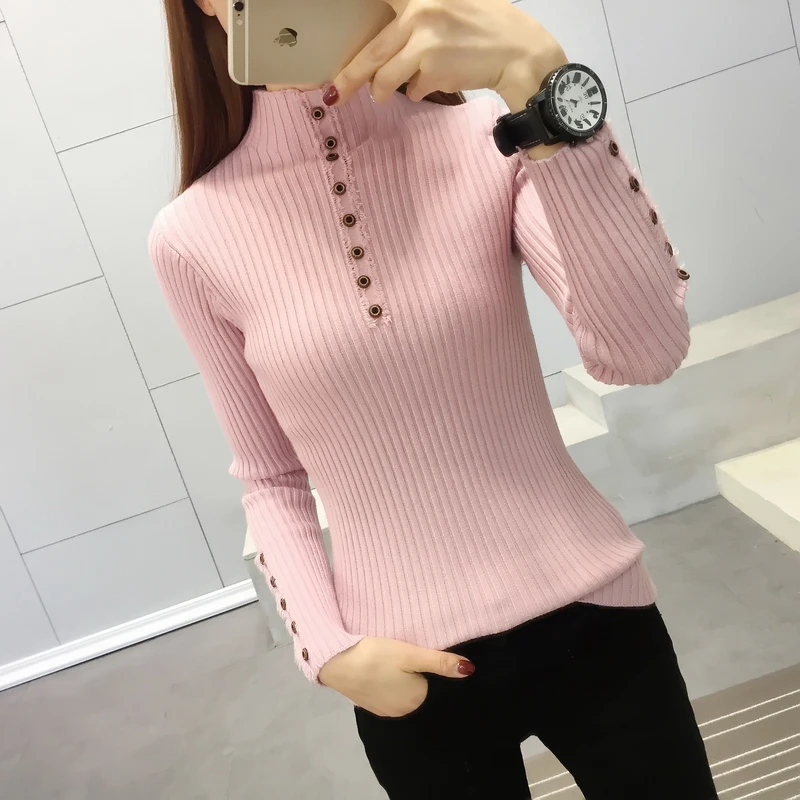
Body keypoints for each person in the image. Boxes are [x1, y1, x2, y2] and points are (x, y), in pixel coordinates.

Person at [150, 0, 718, 797]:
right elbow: (271, 477)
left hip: (598, 613)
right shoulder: (191, 236)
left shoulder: (494, 135)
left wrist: (545, 85)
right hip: (405, 671)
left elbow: (645, 350)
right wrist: (327, 650)